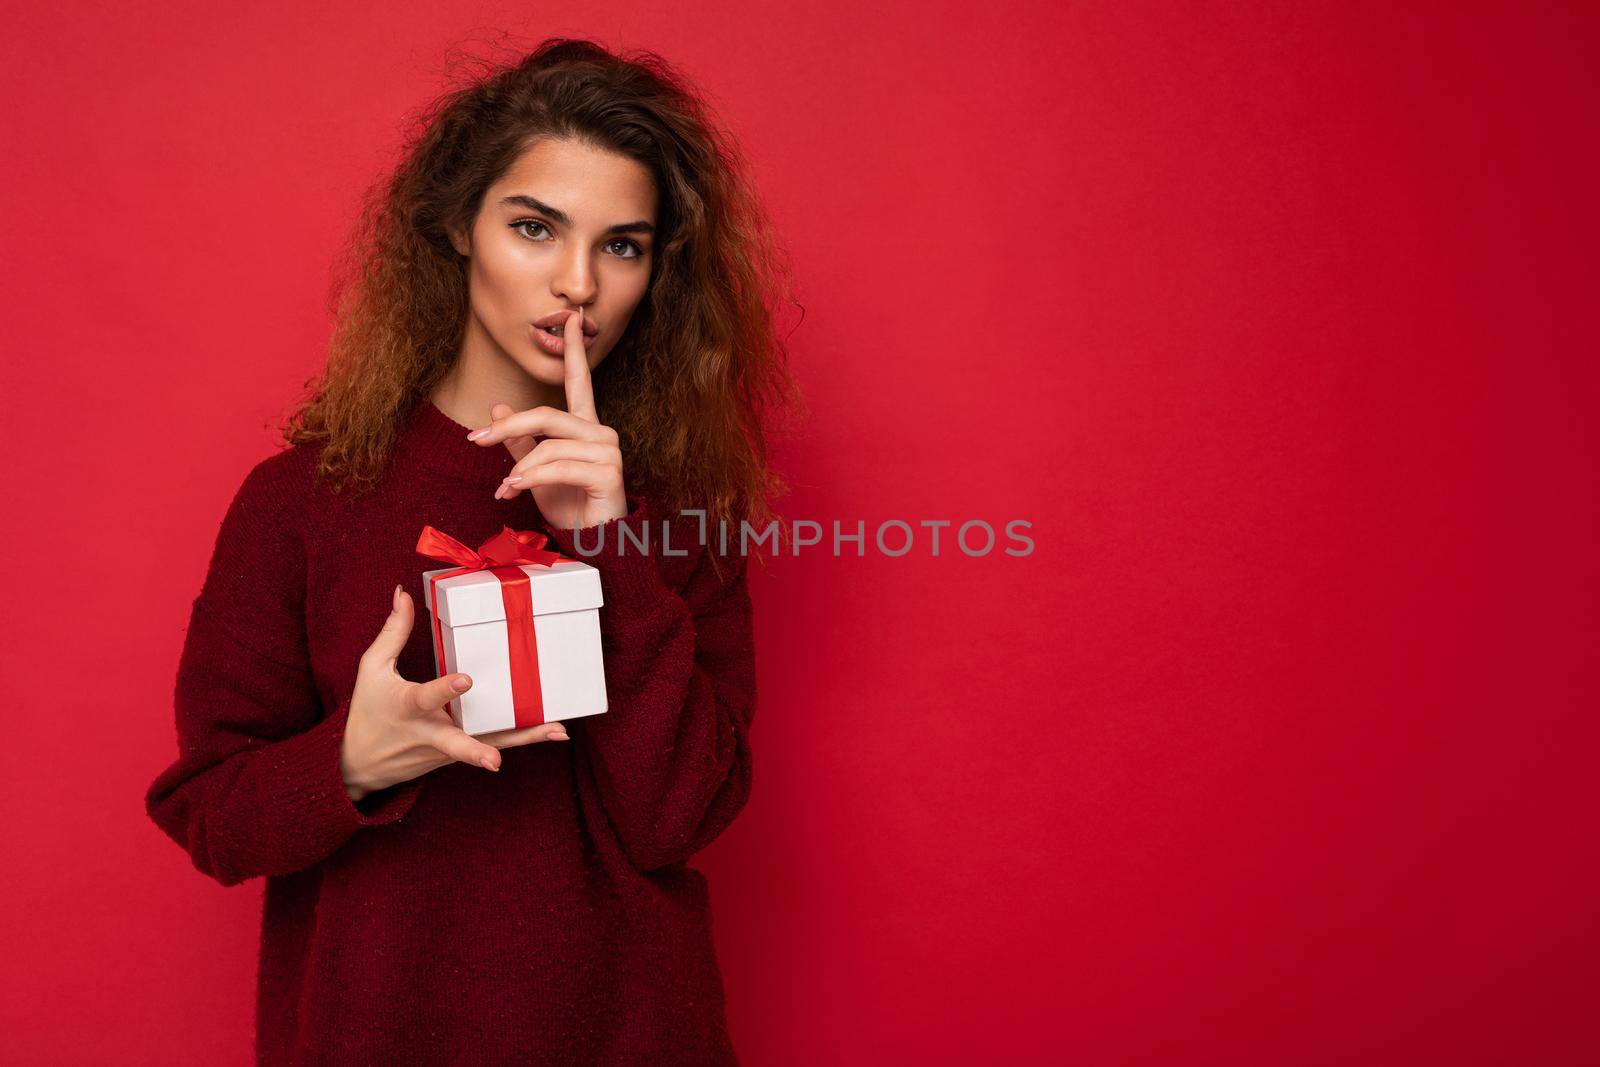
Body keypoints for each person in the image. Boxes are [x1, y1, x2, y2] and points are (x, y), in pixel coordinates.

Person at [144, 37, 802, 1064]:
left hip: (629, 1029)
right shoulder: (301, 501)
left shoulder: (677, 509)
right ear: (459, 225)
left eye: (622, 245)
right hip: (372, 1030)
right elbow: (210, 814)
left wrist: (606, 541)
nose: (577, 281)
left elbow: (679, 815)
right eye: (535, 227)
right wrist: (350, 760)